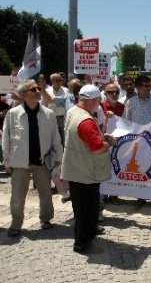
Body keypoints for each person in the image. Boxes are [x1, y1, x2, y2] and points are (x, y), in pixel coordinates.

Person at [2, 80, 63, 237]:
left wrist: (58, 157)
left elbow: (55, 138)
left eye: (38, 88)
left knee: (45, 193)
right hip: (19, 161)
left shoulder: (48, 114)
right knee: (17, 194)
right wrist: (7, 162)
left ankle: (46, 219)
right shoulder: (13, 114)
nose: (37, 91)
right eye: (33, 89)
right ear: (23, 95)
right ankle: (16, 223)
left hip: (41, 160)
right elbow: (6, 139)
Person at [62, 84, 117, 254]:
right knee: (87, 208)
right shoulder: (86, 120)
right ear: (92, 100)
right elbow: (98, 148)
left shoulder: (73, 112)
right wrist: (109, 142)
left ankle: (88, 234)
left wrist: (101, 136)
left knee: (82, 207)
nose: (99, 104)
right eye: (98, 100)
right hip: (85, 170)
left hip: (76, 168)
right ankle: (82, 242)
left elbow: (83, 138)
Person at [126, 75, 151, 209]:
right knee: (140, 169)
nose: (149, 88)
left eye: (150, 86)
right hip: (137, 141)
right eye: (146, 86)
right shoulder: (131, 102)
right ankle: (140, 197)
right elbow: (127, 122)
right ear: (137, 88)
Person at [41, 72, 69, 146]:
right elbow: (43, 105)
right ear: (52, 81)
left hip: (63, 118)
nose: (59, 82)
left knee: (63, 138)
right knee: (52, 138)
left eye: (60, 80)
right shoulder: (47, 91)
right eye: (57, 80)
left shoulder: (66, 90)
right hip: (51, 118)